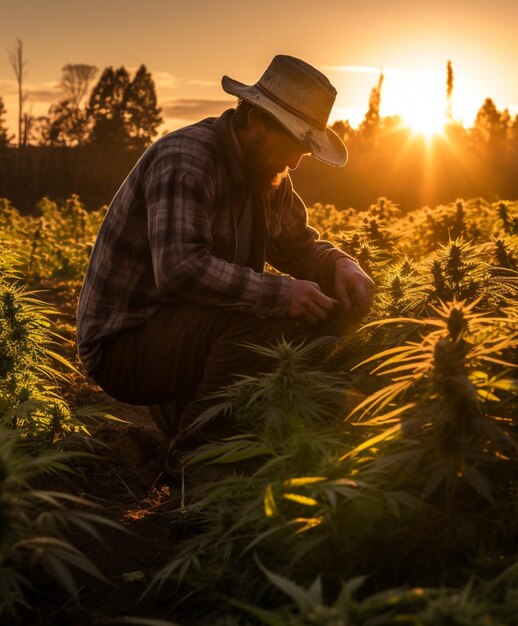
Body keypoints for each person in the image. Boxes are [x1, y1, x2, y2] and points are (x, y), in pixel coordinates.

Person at [76, 54, 374, 452]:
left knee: (316, 313)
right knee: (268, 323)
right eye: (292, 145)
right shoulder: (185, 160)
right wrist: (284, 294)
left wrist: (341, 264)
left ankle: (194, 413)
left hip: (179, 328)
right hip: (124, 342)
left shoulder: (268, 176)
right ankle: (201, 458)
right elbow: (180, 269)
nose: (293, 162)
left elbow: (298, 246)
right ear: (254, 122)